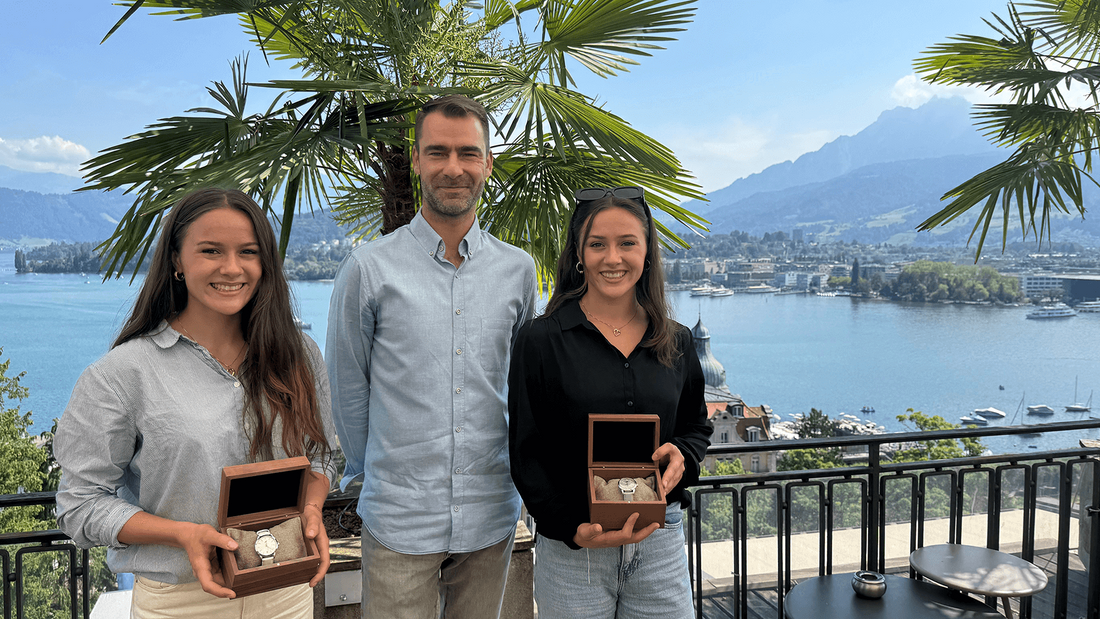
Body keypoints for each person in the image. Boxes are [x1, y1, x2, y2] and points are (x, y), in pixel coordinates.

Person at [55, 188, 336, 618]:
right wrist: (183, 534)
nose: (231, 267)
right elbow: (80, 505)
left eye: (248, 251)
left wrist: (312, 508)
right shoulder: (122, 374)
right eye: (210, 251)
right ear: (176, 261)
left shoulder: (299, 355)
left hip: (288, 593)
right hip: (183, 604)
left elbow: (322, 457)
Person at [326, 95, 537, 618]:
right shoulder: (368, 269)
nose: (453, 168)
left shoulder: (519, 271)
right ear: (416, 160)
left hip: (491, 515)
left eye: (468, 153)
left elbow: (523, 387)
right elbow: (348, 390)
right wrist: (367, 475)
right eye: (437, 152)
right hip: (399, 518)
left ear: (488, 163)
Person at [508, 186, 713, 618]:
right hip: (573, 553)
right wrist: (570, 528)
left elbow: (696, 427)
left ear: (647, 252)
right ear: (579, 254)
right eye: (597, 244)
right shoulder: (540, 340)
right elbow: (526, 450)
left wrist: (683, 453)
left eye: (627, 243)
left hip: (660, 541)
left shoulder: (676, 340)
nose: (613, 258)